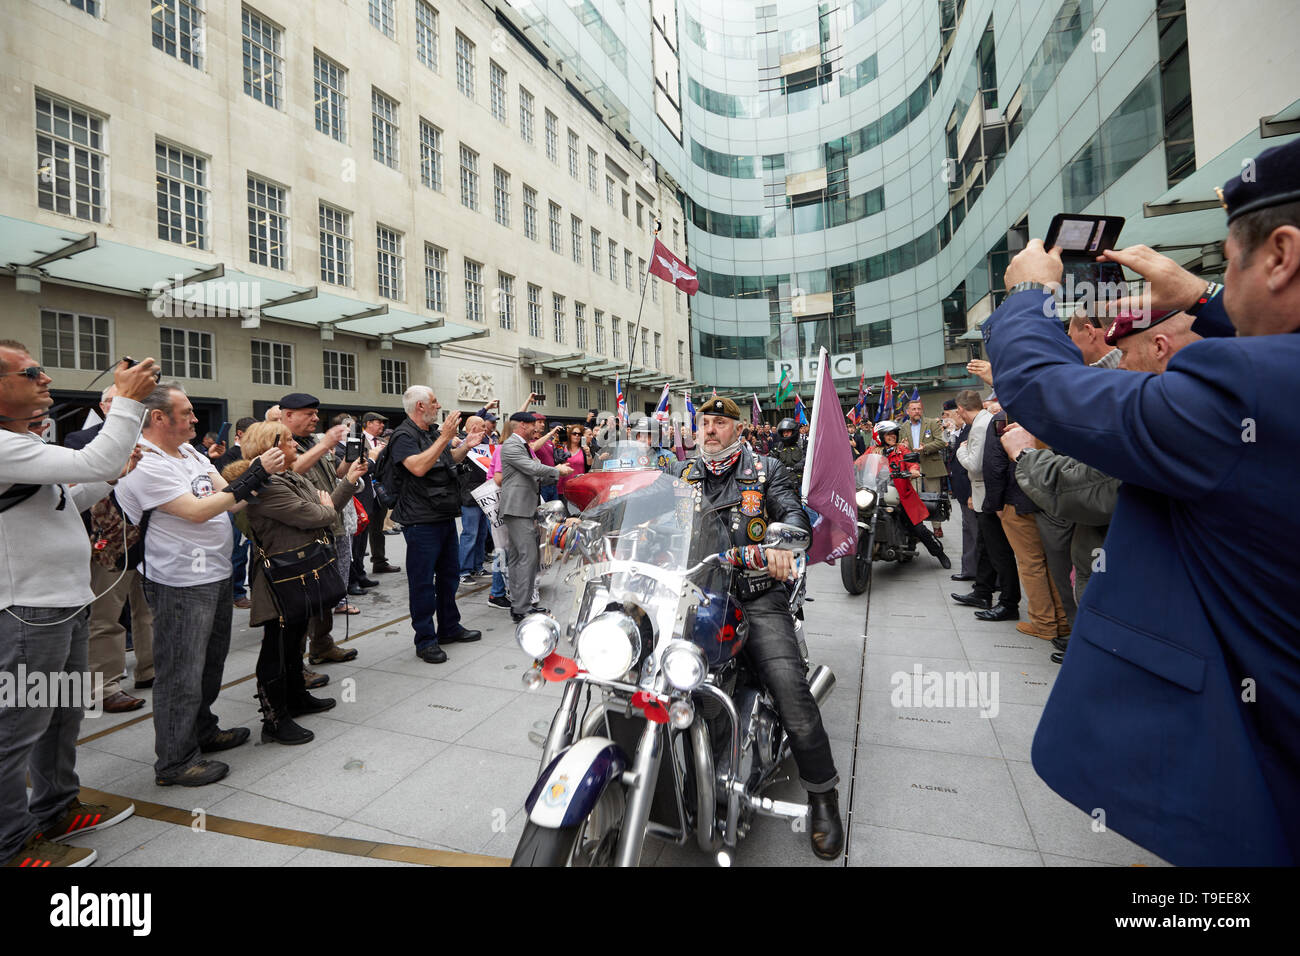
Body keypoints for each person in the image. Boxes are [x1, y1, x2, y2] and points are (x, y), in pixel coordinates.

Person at [981, 136, 1300, 865]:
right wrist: (1202, 297)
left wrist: (1029, 296)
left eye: (1231, 260)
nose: (1222, 277)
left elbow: (1049, 392)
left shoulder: (1254, 393)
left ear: (1280, 255)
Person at [0, 347, 158, 867]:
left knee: (63, 716)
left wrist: (109, 477)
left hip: (61, 605)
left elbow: (67, 498)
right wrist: (129, 405)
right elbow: (97, 457)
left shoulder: (21, 443)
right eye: (30, 373)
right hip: (28, 612)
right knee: (16, 729)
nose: (45, 378)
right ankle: (10, 844)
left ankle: (57, 809)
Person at [674, 397, 842, 859]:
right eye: (704, 423)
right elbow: (655, 522)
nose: (710, 430)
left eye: (720, 423)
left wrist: (783, 541)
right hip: (696, 594)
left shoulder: (766, 469)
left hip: (755, 592)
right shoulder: (683, 474)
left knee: (789, 687)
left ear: (739, 429)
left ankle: (823, 797)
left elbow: (793, 514)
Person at [115, 382, 287, 788]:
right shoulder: (146, 461)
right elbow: (196, 511)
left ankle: (202, 730)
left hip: (214, 573)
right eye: (188, 412)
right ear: (159, 418)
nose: (196, 419)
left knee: (210, 663)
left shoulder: (190, 452)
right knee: (180, 672)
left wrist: (260, 479)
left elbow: (227, 495)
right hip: (179, 581)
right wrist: (258, 472)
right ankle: (175, 761)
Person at [224, 423, 363, 744]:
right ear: (267, 447)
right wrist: (324, 507)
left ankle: (296, 696)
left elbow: (326, 509)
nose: (295, 446)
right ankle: (274, 718)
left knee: (295, 638)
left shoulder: (288, 476)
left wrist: (348, 482)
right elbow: (313, 514)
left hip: (300, 569)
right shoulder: (265, 485)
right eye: (287, 441)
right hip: (280, 576)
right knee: (277, 645)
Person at [64, 384, 155, 711]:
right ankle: (104, 686)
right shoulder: (82, 441)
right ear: (105, 407)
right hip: (109, 542)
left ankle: (149, 668)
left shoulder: (151, 436)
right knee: (107, 616)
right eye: (123, 400)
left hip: (149, 537)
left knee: (147, 612)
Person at [390, 386, 486, 662]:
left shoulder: (431, 433)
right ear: (420, 406)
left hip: (442, 513)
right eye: (433, 402)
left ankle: (449, 627)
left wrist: (465, 446)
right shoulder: (404, 435)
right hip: (420, 519)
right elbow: (418, 467)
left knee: (449, 575)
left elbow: (445, 461)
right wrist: (445, 437)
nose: (438, 405)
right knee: (422, 582)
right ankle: (425, 639)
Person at [279, 394, 357, 668]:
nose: (315, 418)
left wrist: (351, 463)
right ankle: (294, 666)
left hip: (328, 525)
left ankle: (322, 645)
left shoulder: (311, 443)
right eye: (308, 414)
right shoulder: (279, 443)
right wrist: (326, 444)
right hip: (303, 533)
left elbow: (334, 474)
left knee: (326, 593)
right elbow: (288, 471)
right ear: (287, 415)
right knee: (303, 601)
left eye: (315, 414)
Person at [500, 411, 572, 622]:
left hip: (522, 508)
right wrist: (556, 470)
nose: (537, 429)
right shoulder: (512, 445)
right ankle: (522, 608)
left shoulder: (521, 446)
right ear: (522, 425)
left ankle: (519, 605)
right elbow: (531, 467)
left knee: (517, 558)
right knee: (528, 557)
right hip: (517, 509)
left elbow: (529, 475)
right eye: (534, 425)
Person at [952, 395, 1018, 619]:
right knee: (985, 547)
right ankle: (982, 591)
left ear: (961, 409)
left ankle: (1009, 602)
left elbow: (975, 464)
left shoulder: (980, 425)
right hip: (984, 493)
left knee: (998, 551)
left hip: (989, 494)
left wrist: (960, 449)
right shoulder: (984, 421)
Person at [871, 421, 950, 568]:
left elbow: (912, 462)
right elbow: (860, 464)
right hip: (876, 494)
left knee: (918, 528)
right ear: (880, 436)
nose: (893, 436)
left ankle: (939, 553)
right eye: (889, 434)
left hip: (901, 495)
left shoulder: (901, 450)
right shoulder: (872, 451)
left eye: (894, 433)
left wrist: (914, 470)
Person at [215, 417, 256, 608]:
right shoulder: (228, 455)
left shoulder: (255, 454)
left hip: (252, 508)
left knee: (250, 553)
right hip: (235, 508)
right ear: (240, 434)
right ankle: (236, 592)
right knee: (237, 554)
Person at [455, 414, 494, 587]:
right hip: (469, 494)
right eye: (482, 427)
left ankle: (478, 566)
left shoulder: (486, 444)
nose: (485, 430)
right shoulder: (461, 443)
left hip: (484, 492)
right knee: (470, 533)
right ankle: (463, 570)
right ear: (472, 428)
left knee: (482, 533)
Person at [900, 399, 948, 540]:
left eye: (919, 409)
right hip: (913, 468)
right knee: (915, 499)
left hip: (931, 465)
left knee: (934, 497)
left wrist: (925, 448)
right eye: (913, 409)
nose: (916, 411)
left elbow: (941, 442)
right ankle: (919, 530)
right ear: (908, 412)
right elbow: (903, 448)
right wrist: (904, 446)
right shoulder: (903, 427)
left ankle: (937, 528)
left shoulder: (932, 423)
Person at [359, 412, 399, 574]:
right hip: (362, 490)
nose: (382, 426)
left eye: (383, 423)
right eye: (379, 423)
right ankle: (357, 569)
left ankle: (379, 561)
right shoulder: (356, 440)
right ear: (368, 423)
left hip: (380, 491)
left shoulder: (383, 442)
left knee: (377, 529)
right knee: (360, 532)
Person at [946, 392, 979, 582]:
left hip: (970, 492)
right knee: (968, 531)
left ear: (959, 413)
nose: (949, 420)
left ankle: (984, 575)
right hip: (963, 493)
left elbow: (971, 465)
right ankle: (970, 569)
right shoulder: (960, 432)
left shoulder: (971, 431)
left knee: (977, 534)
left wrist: (971, 494)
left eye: (950, 415)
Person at [556, 424, 588, 498]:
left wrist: (589, 454)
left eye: (579, 434)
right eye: (574, 433)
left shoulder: (584, 449)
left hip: (579, 487)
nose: (577, 436)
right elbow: (556, 458)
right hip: (562, 487)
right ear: (569, 435)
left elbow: (589, 465)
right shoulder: (560, 446)